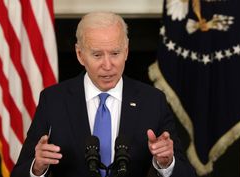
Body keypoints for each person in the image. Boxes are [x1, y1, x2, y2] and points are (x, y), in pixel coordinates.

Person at [11, 12, 196, 177]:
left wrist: (167, 164)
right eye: (97, 55)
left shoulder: (152, 101)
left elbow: (185, 173)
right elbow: (20, 172)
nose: (108, 65)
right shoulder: (54, 100)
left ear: (126, 51)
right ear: (80, 54)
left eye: (115, 53)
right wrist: (37, 168)